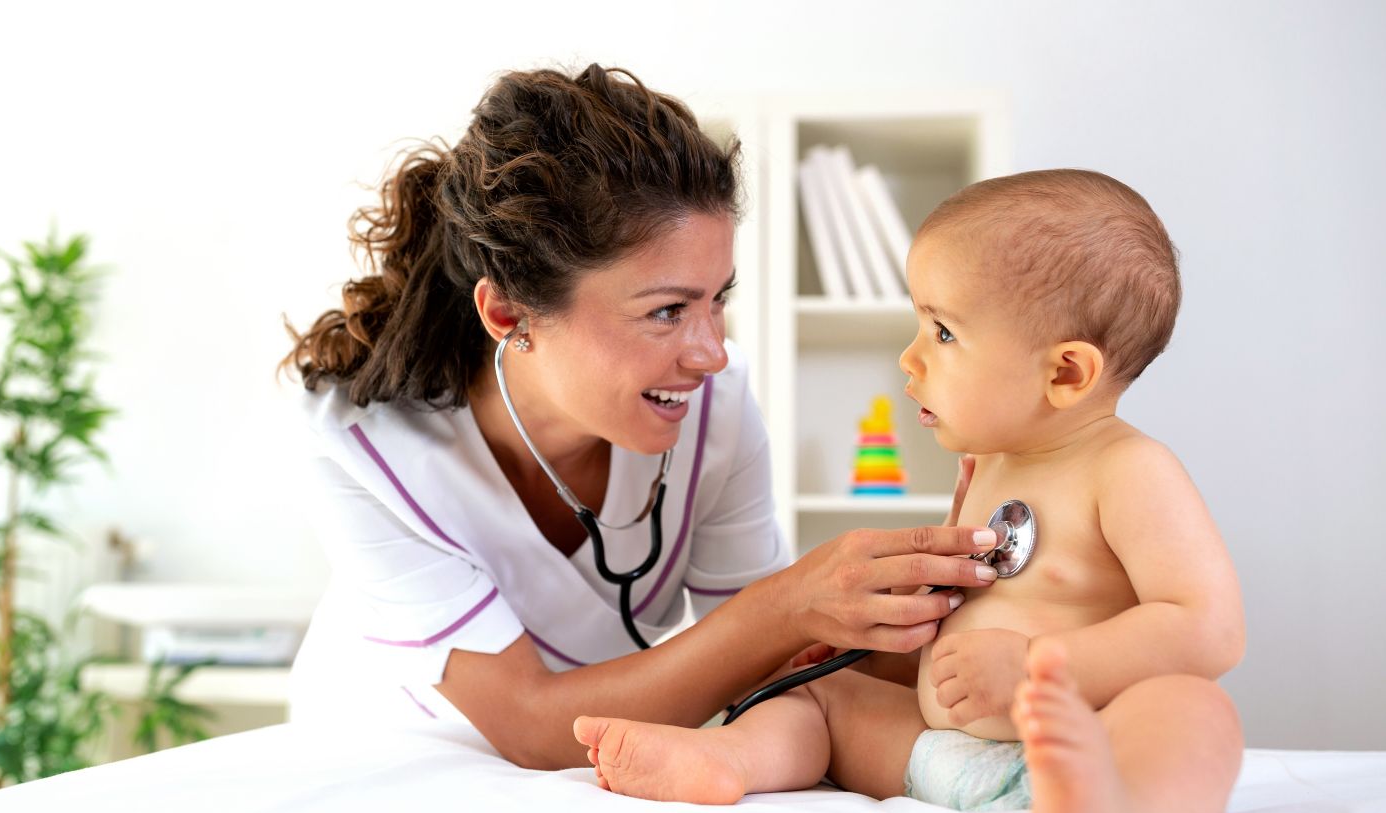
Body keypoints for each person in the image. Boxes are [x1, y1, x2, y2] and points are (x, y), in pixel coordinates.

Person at [280, 64, 1003, 769]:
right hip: (391, 754)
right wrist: (788, 603)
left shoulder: (714, 404)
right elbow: (531, 723)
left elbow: (771, 667)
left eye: (716, 298)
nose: (712, 353)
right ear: (508, 312)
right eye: (667, 310)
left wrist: (924, 615)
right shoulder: (362, 446)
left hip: (596, 751)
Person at [573, 169, 1247, 813]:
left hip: (1086, 751)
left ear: (1065, 373)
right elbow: (965, 616)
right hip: (931, 751)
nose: (911, 356)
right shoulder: (987, 465)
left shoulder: (1128, 470)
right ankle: (725, 759)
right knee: (807, 693)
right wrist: (875, 648)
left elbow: (1208, 629)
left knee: (1191, 709)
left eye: (944, 333)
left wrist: (1039, 662)